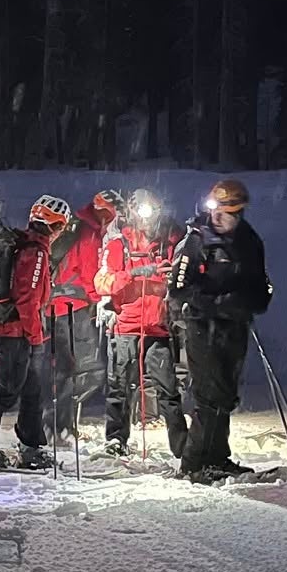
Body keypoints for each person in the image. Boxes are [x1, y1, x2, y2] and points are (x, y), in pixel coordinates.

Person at [169, 178, 272, 482]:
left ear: (238, 213)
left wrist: (250, 302)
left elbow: (260, 285)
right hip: (202, 325)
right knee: (209, 394)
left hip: (235, 327)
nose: (217, 216)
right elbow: (178, 288)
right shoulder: (197, 239)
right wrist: (215, 303)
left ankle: (217, 457)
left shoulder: (249, 241)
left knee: (225, 394)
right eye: (215, 209)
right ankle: (195, 462)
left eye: (225, 212)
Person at [0, 192, 70, 470]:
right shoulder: (35, 251)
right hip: (16, 333)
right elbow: (26, 298)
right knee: (9, 389)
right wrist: (35, 336)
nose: (61, 233)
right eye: (61, 227)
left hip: (18, 330)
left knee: (32, 391)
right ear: (55, 226)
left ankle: (31, 446)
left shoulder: (28, 245)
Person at [97, 188, 185, 459]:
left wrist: (174, 281)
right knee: (119, 388)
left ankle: (183, 447)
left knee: (169, 390)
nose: (147, 219)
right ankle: (116, 440)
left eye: (152, 212)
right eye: (142, 213)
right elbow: (102, 283)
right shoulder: (118, 245)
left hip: (158, 328)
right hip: (125, 328)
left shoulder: (169, 244)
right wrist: (134, 273)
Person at [46, 188, 121, 435]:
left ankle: (57, 421)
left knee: (64, 367)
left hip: (54, 305)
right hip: (73, 306)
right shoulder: (88, 233)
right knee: (88, 370)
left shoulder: (75, 227)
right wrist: (98, 300)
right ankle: (59, 422)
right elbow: (89, 273)